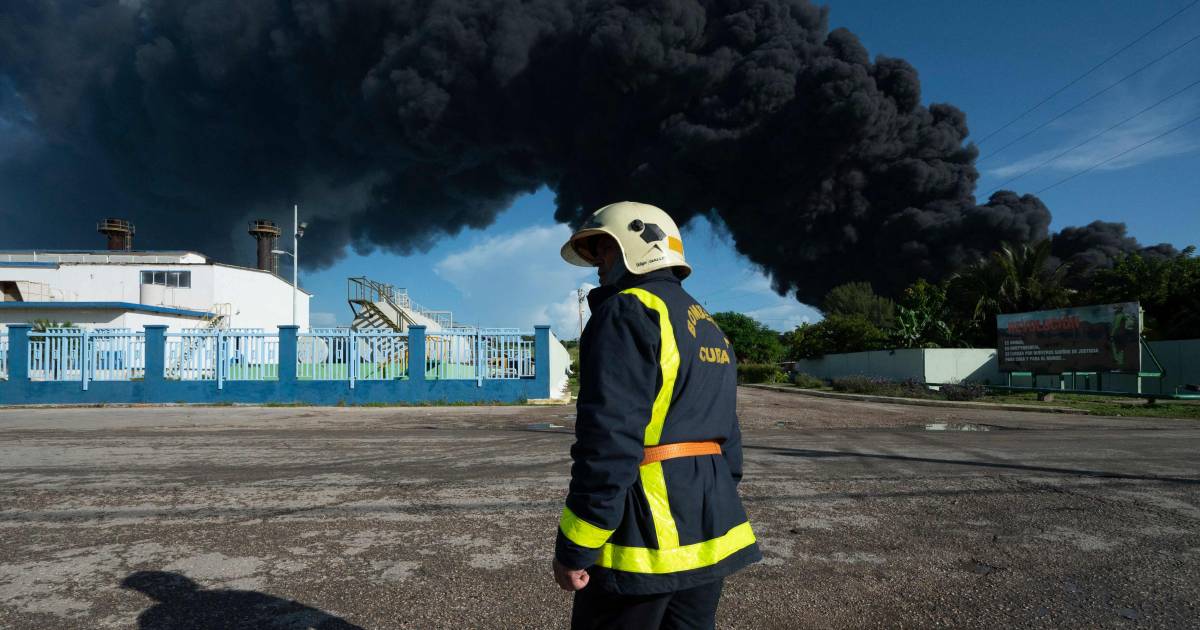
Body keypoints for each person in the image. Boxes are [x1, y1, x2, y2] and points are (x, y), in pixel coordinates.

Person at [551, 201, 761, 629]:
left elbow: (608, 442)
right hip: (709, 532)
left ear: (634, 246)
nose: (597, 264)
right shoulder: (707, 324)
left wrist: (577, 545)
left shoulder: (626, 310)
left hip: (644, 543)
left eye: (603, 250)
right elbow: (729, 440)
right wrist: (707, 496)